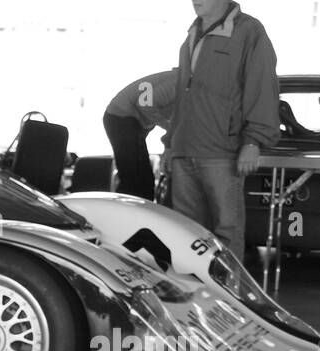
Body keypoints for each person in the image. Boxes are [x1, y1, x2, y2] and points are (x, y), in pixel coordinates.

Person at [163, 0, 279, 255]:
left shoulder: (249, 31)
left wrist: (253, 141)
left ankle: (228, 293)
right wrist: (170, 144)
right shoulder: (191, 34)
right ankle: (194, 294)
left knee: (227, 233)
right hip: (184, 150)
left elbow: (261, 87)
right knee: (186, 234)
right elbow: (182, 97)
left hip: (222, 152)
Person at [104, 70, 177, 200]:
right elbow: (144, 104)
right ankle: (128, 215)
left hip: (126, 119)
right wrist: (168, 126)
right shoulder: (177, 82)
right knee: (136, 179)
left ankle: (132, 214)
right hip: (121, 117)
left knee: (139, 178)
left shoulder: (185, 84)